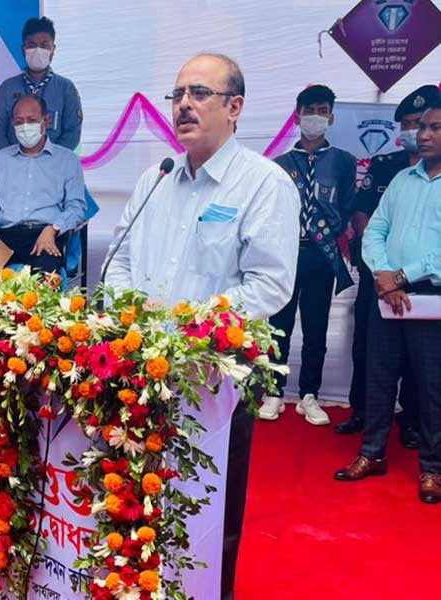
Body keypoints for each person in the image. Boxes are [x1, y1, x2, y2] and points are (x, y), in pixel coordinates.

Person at [104, 54, 299, 600]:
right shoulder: (154, 179)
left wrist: (181, 330)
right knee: (135, 497)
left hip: (214, 381)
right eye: (177, 94)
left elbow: (268, 285)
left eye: (199, 93)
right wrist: (135, 322)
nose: (183, 104)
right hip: (139, 371)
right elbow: (117, 259)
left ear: (235, 107)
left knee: (208, 511)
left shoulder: (263, 184)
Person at [334, 95, 441, 505]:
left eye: (434, 128)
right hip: (387, 299)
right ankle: (372, 453)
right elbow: (374, 229)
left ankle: (432, 468)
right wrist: (383, 277)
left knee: (432, 388)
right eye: (422, 127)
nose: (423, 135)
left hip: (430, 300)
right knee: (378, 381)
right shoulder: (400, 179)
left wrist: (400, 276)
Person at [259, 85, 357, 426]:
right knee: (278, 327)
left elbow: (348, 206)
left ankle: (309, 395)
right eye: (309, 109)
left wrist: (330, 224)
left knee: (316, 327)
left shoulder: (343, 162)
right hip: (286, 256)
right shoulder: (279, 165)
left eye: (322, 110)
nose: (315, 116)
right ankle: (274, 391)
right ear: (298, 115)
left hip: (322, 256)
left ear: (330, 116)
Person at [0, 95, 86, 274]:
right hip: (4, 236)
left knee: (43, 281)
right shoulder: (1, 159)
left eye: (31, 120)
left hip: (44, 234)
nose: (25, 127)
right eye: (19, 121)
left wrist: (54, 229)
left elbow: (76, 207)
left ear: (45, 121)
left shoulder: (67, 160)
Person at [0, 17, 82, 151]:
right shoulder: (7, 88)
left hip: (53, 168)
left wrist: (53, 160)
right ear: (23, 49)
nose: (38, 50)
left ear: (53, 49)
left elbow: (72, 133)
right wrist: (9, 159)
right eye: (32, 45)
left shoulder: (66, 89)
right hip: (13, 167)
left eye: (44, 45)